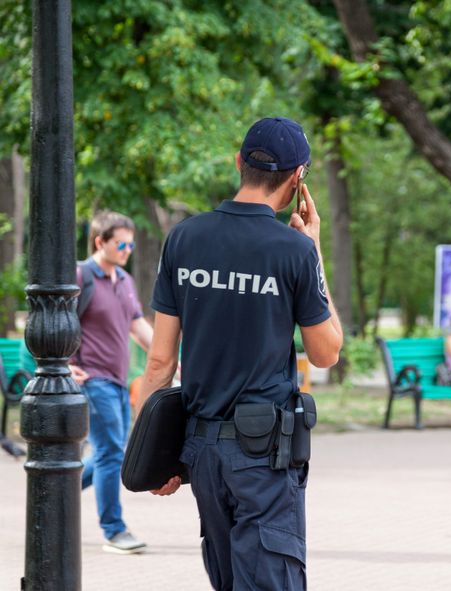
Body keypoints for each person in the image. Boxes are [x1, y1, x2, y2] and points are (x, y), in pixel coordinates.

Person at [137, 117, 343, 590]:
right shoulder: (293, 250)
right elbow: (327, 351)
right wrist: (314, 250)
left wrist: (151, 454)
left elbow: (160, 362)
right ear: (298, 178)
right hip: (264, 456)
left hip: (202, 452)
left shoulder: (184, 238)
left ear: (238, 164)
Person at [69, 211, 155, 554]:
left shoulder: (124, 280)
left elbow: (137, 327)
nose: (127, 249)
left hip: (119, 381)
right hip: (92, 379)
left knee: (112, 453)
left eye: (131, 244)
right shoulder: (79, 275)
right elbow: (49, 321)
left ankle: (52, 490)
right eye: (121, 243)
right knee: (109, 453)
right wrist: (62, 365)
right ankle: (114, 530)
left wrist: (173, 360)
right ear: (99, 242)